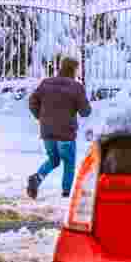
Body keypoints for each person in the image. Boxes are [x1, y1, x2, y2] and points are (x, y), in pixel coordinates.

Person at [26, 56, 92, 199]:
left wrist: (41, 117)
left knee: (53, 159)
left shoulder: (46, 83)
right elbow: (85, 111)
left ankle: (37, 178)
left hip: (47, 131)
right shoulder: (76, 87)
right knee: (68, 162)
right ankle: (66, 193)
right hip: (66, 133)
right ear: (74, 70)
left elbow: (32, 102)